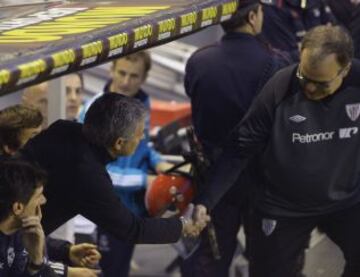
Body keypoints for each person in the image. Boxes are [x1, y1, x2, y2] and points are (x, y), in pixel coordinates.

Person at [193, 25, 360, 276]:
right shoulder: (280, 87)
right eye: (305, 77)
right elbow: (239, 149)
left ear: (345, 69)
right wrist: (206, 201)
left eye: (321, 83)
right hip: (283, 206)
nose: (310, 89)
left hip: (345, 201)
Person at [182, 1, 290, 276]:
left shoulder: (199, 61)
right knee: (266, 260)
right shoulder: (277, 63)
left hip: (212, 180)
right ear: (253, 17)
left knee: (210, 260)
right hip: (262, 181)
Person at [20, 93, 208, 247]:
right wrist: (183, 225)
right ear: (119, 143)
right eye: (139, 134)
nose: (142, 137)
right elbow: (133, 229)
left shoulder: (63, 128)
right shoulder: (88, 176)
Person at [79, 51, 171, 276]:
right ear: (111, 70)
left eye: (134, 76)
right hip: (101, 212)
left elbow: (143, 146)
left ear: (144, 78)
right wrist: (145, 179)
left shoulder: (142, 102)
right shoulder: (94, 113)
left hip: (131, 211)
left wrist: (159, 163)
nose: (126, 81)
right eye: (121, 73)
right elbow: (96, 172)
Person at [0, 104, 102, 277]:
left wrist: (64, 252)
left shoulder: (22, 191)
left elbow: (23, 249)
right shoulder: (16, 191)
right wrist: (63, 271)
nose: (44, 145)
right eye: (34, 139)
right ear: (9, 149)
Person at [261, 0, 336, 60]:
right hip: (297, 60)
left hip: (322, 53)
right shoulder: (275, 7)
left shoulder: (316, 3)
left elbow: (331, 24)